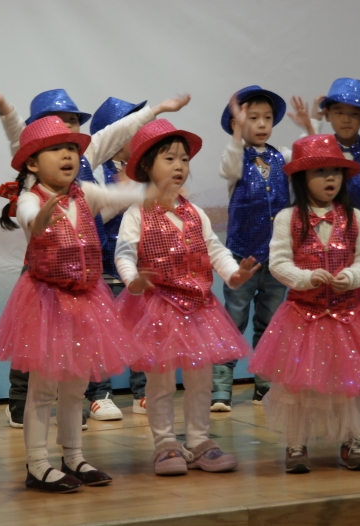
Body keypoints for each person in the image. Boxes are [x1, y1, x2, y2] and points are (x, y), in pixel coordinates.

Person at [0, 85, 189, 428]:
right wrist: (2, 104)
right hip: (42, 271)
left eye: (73, 123)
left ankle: (76, 405)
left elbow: (117, 132)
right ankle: (20, 401)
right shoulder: (34, 173)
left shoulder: (84, 162)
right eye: (58, 122)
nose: (67, 131)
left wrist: (157, 110)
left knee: (80, 338)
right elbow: (18, 139)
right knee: (34, 340)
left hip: (82, 271)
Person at [0, 116, 144, 493]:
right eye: (56, 149)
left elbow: (117, 197)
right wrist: (38, 219)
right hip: (47, 301)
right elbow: (29, 217)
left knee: (76, 385)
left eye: (72, 148)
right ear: (32, 163)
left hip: (86, 298)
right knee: (44, 388)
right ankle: (37, 464)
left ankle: (73, 456)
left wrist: (149, 191)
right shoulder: (31, 197)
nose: (68, 155)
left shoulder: (83, 192)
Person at [249, 134, 360, 474]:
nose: (330, 178)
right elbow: (278, 262)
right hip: (302, 316)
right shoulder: (288, 218)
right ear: (302, 178)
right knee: (298, 386)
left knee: (348, 383)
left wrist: (351, 276)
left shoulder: (354, 217)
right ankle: (297, 443)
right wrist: (305, 278)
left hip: (347, 316)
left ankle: (353, 439)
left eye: (335, 171)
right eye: (320, 172)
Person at [114, 119, 259, 476]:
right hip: (158, 306)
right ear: (147, 166)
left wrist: (233, 273)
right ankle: (165, 443)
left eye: (184, 159)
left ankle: (198, 440)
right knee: (160, 380)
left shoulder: (194, 212)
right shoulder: (136, 212)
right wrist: (133, 281)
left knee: (200, 379)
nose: (179, 166)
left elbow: (215, 249)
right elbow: (124, 253)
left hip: (198, 308)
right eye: (169, 158)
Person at [211, 87, 313, 411]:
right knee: (234, 319)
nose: (261, 124)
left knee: (269, 323)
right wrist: (236, 135)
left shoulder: (282, 155)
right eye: (252, 118)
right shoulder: (235, 157)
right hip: (244, 256)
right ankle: (221, 388)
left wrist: (309, 129)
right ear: (237, 123)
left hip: (278, 258)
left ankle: (264, 385)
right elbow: (228, 168)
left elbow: (308, 160)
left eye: (267, 118)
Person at [90, 96, 150, 415]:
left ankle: (143, 392)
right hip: (102, 268)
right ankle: (100, 393)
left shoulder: (146, 173)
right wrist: (122, 194)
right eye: (132, 131)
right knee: (100, 335)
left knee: (141, 331)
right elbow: (90, 217)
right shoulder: (93, 173)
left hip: (137, 268)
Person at [308, 78, 360, 212]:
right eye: (339, 112)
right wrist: (314, 123)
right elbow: (306, 165)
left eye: (354, 113)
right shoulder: (322, 149)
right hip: (326, 222)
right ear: (327, 115)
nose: (346, 120)